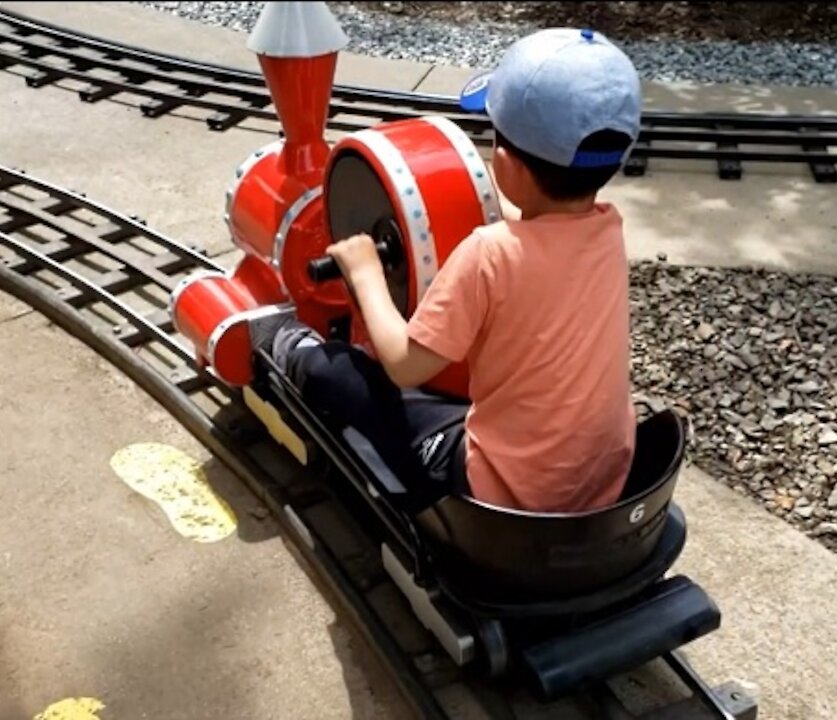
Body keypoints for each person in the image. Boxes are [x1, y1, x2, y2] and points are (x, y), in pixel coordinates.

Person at [254, 27, 642, 513]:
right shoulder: (608, 230)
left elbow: (404, 364)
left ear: (506, 162)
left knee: (340, 372)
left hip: (504, 494)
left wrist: (366, 271)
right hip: (602, 478)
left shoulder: (490, 253)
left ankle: (291, 347)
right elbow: (541, 254)